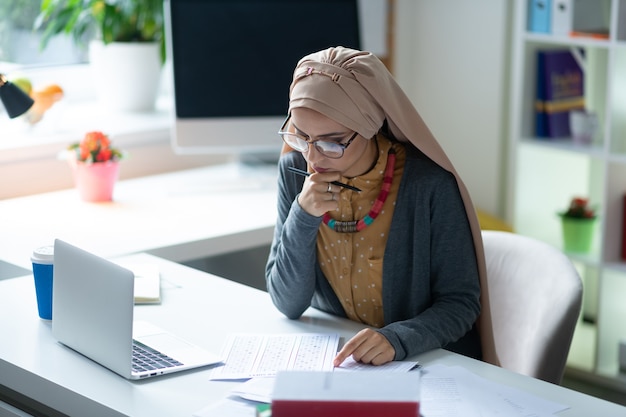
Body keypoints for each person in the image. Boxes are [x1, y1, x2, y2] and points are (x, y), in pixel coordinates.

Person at [265, 46, 488, 367]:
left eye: (332, 142)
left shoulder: (428, 185)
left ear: (368, 127)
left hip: (426, 364)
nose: (312, 159)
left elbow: (461, 304)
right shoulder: (294, 170)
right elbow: (287, 303)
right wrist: (303, 214)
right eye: (301, 136)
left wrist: (397, 338)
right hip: (342, 363)